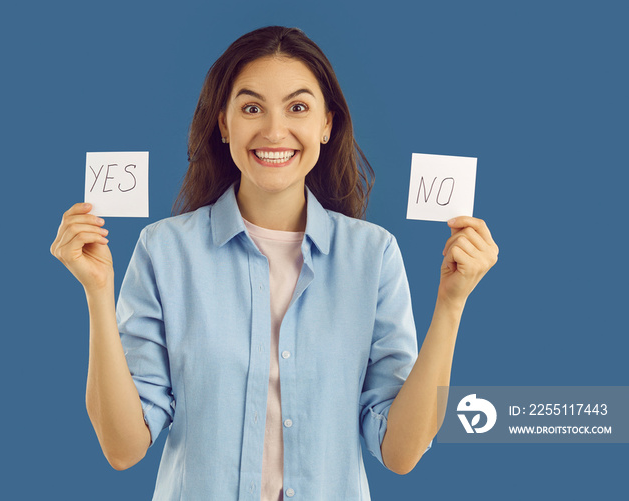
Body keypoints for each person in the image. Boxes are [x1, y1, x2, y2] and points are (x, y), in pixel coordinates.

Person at [50, 26, 498, 501]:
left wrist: (451, 305)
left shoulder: (373, 255)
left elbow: (401, 454)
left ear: (327, 123)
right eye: (251, 108)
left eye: (298, 107)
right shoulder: (163, 251)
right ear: (224, 124)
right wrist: (97, 293)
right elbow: (123, 449)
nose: (274, 131)